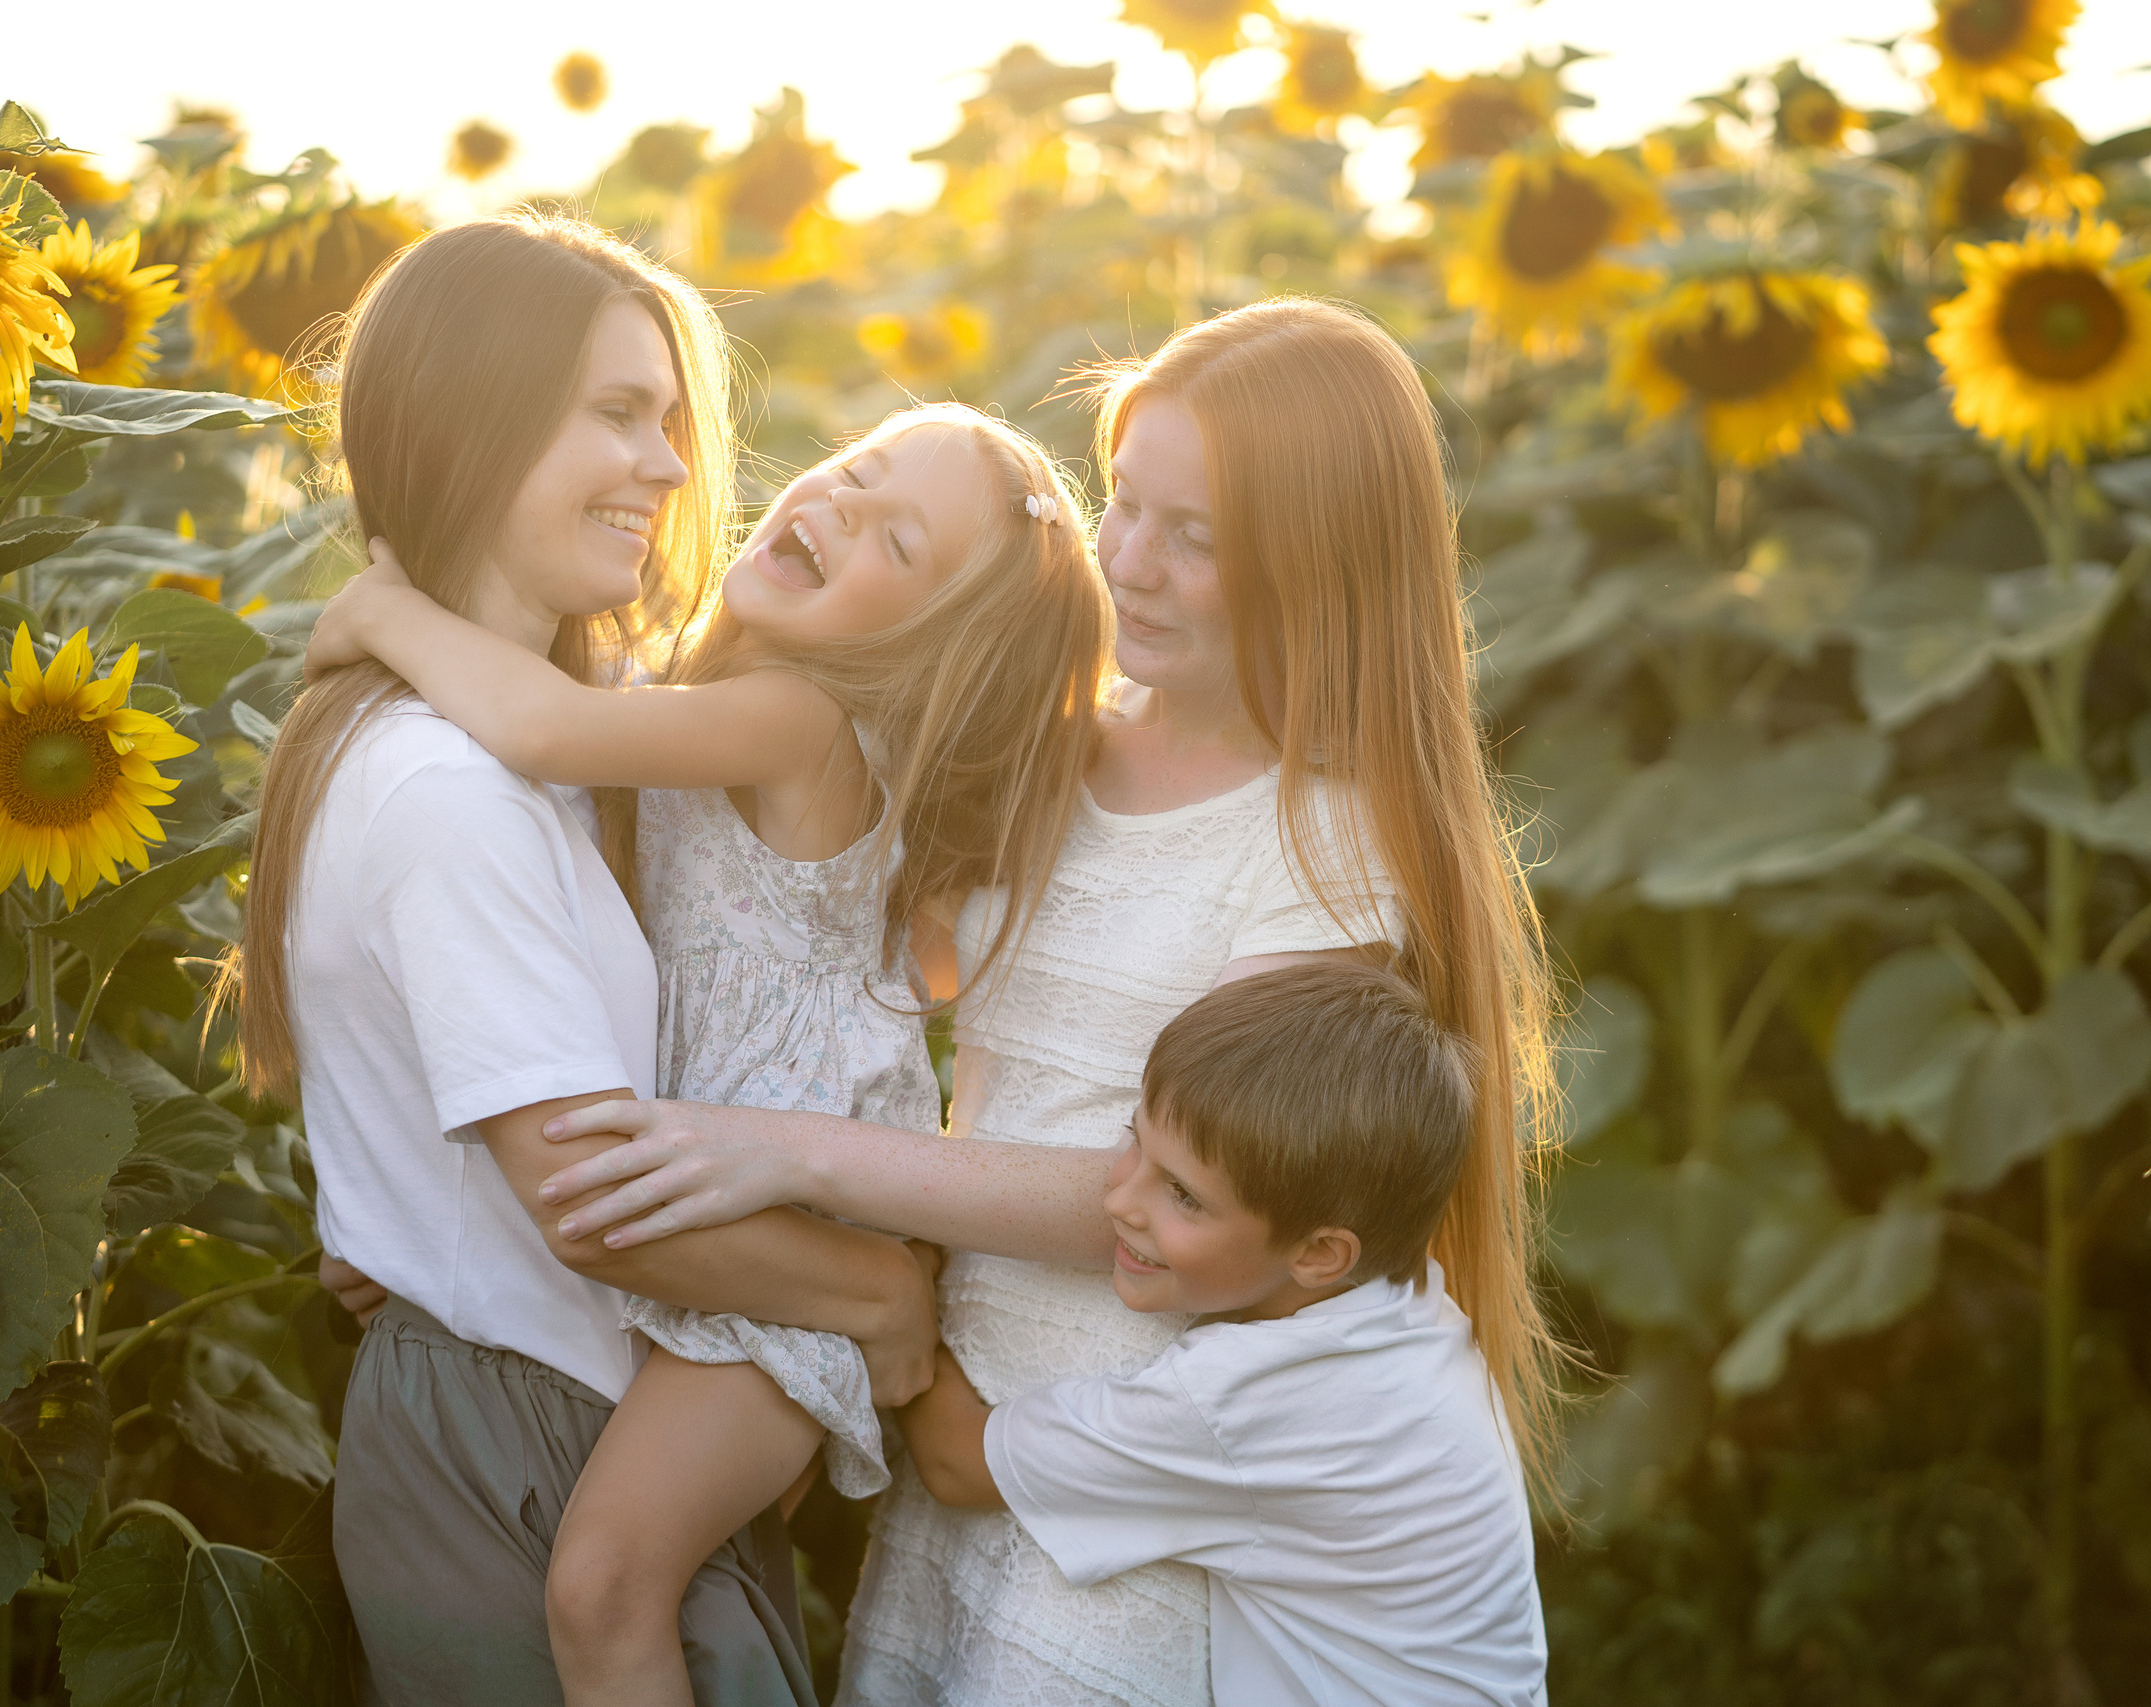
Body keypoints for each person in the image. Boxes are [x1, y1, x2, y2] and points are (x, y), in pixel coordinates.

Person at [376, 295, 1565, 1707]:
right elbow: (821, 943)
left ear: (1322, 568)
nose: (1131, 559)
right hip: (965, 1429)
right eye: (1125, 504)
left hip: (1135, 1474)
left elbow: (1195, 1199)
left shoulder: (1333, 852)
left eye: (1194, 537)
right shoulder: (1052, 755)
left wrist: (796, 1156)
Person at [302, 399, 1111, 1707]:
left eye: (896, 542)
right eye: (858, 470)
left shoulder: (798, 718)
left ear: (919, 649)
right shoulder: (701, 687)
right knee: (685, 1585)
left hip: (772, 1263)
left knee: (603, 1582)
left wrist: (381, 614)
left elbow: (545, 728)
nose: (839, 505)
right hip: (705, 1237)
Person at [236, 214, 942, 1707]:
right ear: (472, 418)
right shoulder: (448, 788)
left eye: (672, 420)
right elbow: (592, 1204)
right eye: (619, 414)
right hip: (529, 1449)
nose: (674, 467)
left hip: (563, 1414)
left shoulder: (540, 745)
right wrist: (879, 1290)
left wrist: (405, 1224)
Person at [897, 961, 1550, 1707]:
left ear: (1319, 1253)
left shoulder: (1251, 1398)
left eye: (1182, 1194)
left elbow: (954, 1460)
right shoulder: (1404, 1311)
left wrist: (900, 1284)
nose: (1119, 1196)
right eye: (1133, 1141)